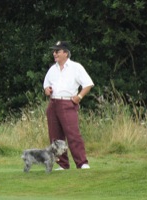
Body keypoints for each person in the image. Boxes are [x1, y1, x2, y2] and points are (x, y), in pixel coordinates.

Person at [43, 41, 94, 170]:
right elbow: (46, 86)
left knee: (73, 134)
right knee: (55, 136)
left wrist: (79, 97)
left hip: (67, 103)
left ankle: (82, 163)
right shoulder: (52, 69)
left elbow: (88, 84)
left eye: (57, 51)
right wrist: (47, 90)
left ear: (65, 53)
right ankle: (63, 164)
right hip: (53, 103)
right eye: (54, 51)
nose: (54, 54)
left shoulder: (76, 67)